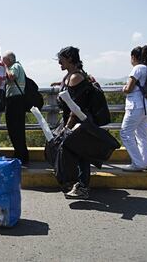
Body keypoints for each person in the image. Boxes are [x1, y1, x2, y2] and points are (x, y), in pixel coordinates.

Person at [56, 46, 94, 199]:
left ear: (70, 59)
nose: (59, 62)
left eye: (61, 59)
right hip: (76, 121)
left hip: (78, 122)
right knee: (76, 153)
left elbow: (75, 107)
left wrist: (67, 127)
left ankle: (82, 187)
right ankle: (77, 184)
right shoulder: (71, 76)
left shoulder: (75, 77)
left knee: (81, 154)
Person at [120, 45, 147, 172]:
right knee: (141, 135)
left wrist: (124, 88)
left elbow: (128, 88)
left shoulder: (137, 68)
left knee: (125, 133)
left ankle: (138, 163)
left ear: (133, 57)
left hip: (136, 106)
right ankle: (144, 162)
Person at [2, 51, 29, 165]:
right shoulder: (14, 66)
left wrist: (5, 68)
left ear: (10, 60)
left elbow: (12, 77)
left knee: (16, 129)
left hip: (16, 101)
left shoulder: (15, 66)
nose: (3, 63)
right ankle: (19, 154)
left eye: (5, 60)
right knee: (14, 129)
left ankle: (21, 156)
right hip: (13, 100)